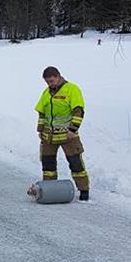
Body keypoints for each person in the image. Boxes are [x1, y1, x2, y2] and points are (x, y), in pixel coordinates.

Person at [35, 66, 90, 201]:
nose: (50, 84)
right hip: (49, 136)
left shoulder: (72, 89)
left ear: (59, 76)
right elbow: (42, 113)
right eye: (47, 82)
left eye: (52, 81)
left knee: (75, 163)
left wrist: (72, 129)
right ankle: (49, 189)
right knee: (48, 165)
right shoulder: (46, 93)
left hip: (68, 136)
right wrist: (40, 129)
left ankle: (84, 190)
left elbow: (78, 111)